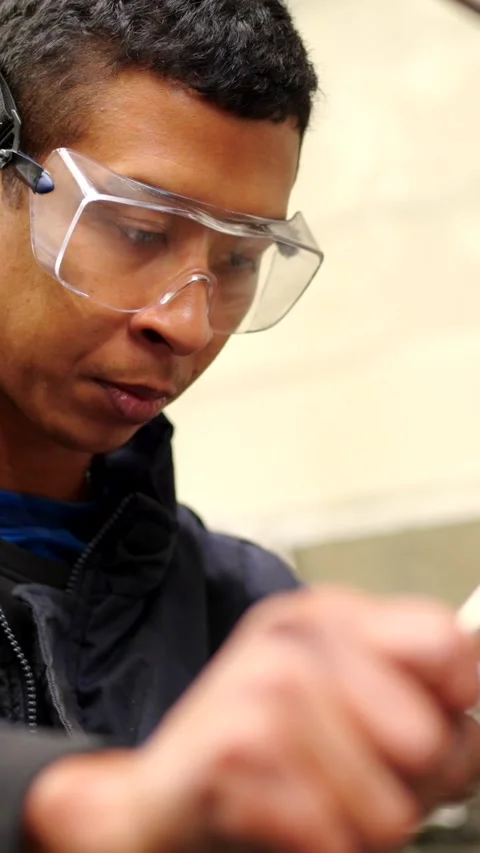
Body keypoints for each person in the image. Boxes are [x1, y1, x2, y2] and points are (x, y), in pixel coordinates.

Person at [0, 1, 479, 851]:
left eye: (238, 261)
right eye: (138, 231)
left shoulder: (247, 614)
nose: (187, 324)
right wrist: (79, 802)